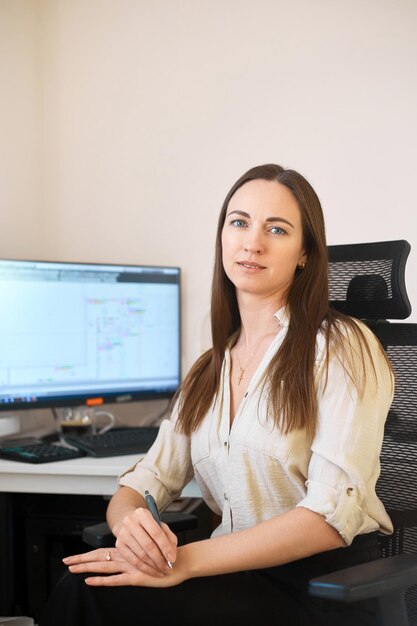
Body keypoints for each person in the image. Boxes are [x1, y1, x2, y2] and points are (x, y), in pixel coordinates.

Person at [40, 164, 394, 626]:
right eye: (239, 222)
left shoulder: (342, 346)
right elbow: (144, 482)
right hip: (236, 577)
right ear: (223, 236)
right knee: (86, 584)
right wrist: (134, 530)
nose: (253, 242)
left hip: (320, 594)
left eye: (277, 229)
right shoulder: (209, 369)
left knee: (93, 599)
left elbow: (328, 517)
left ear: (305, 252)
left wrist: (183, 562)